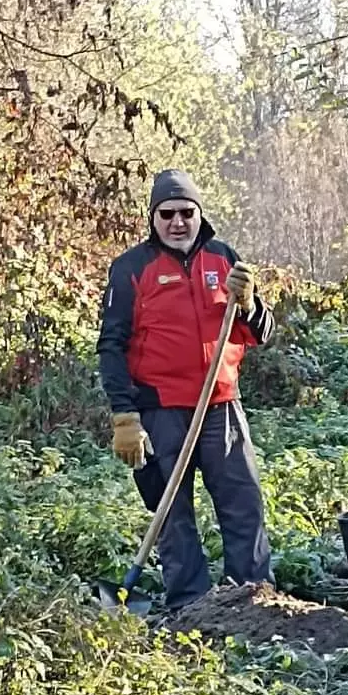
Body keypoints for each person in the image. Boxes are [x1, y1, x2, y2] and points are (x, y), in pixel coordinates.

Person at [96, 169, 275, 609]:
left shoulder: (224, 260)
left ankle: (252, 602)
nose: (178, 222)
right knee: (171, 517)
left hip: (221, 409)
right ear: (153, 218)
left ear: (200, 215)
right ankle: (190, 609)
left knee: (244, 504)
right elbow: (111, 345)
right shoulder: (131, 269)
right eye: (168, 214)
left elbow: (263, 332)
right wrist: (125, 416)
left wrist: (250, 304)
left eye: (186, 213)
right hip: (160, 413)